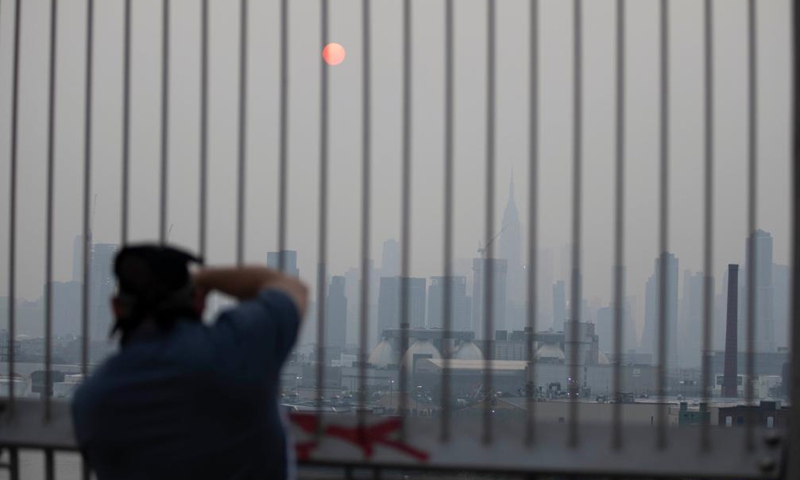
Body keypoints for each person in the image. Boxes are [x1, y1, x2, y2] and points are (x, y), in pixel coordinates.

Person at [72, 244, 308, 480]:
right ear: (198, 301)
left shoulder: (92, 401)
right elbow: (292, 288)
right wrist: (205, 277)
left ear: (116, 308)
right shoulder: (238, 348)